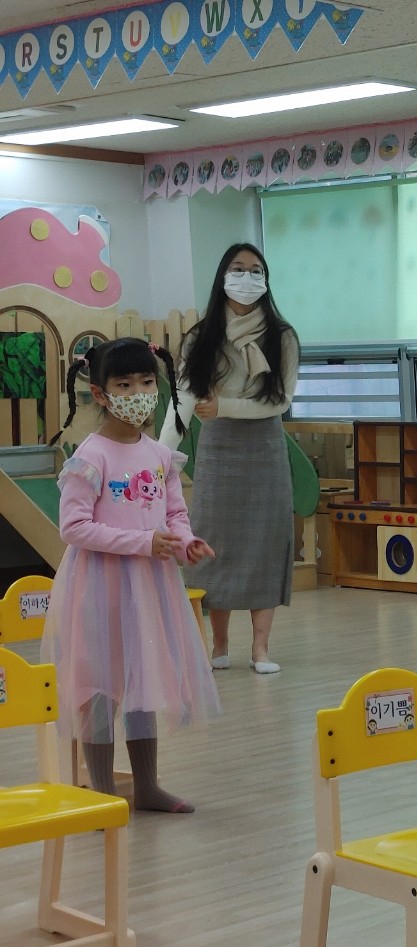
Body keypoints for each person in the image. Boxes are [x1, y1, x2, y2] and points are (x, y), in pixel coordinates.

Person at [43, 337, 221, 812]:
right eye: (124, 385)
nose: (138, 393)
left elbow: (174, 512)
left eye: (146, 382)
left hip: (149, 586)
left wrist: (184, 541)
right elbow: (74, 527)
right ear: (100, 393)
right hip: (99, 585)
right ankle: (102, 794)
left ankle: (147, 787)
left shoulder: (159, 455)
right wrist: (143, 542)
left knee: (143, 681)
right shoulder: (91, 456)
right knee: (100, 686)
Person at [161, 242, 299, 674]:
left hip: (264, 448)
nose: (247, 277)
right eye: (238, 269)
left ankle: (260, 649)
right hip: (218, 449)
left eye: (256, 270)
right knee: (213, 542)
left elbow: (280, 400)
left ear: (266, 280)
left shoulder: (282, 336)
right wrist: (161, 454)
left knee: (265, 543)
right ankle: (219, 645)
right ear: (223, 277)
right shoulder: (200, 337)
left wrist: (225, 406)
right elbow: (184, 399)